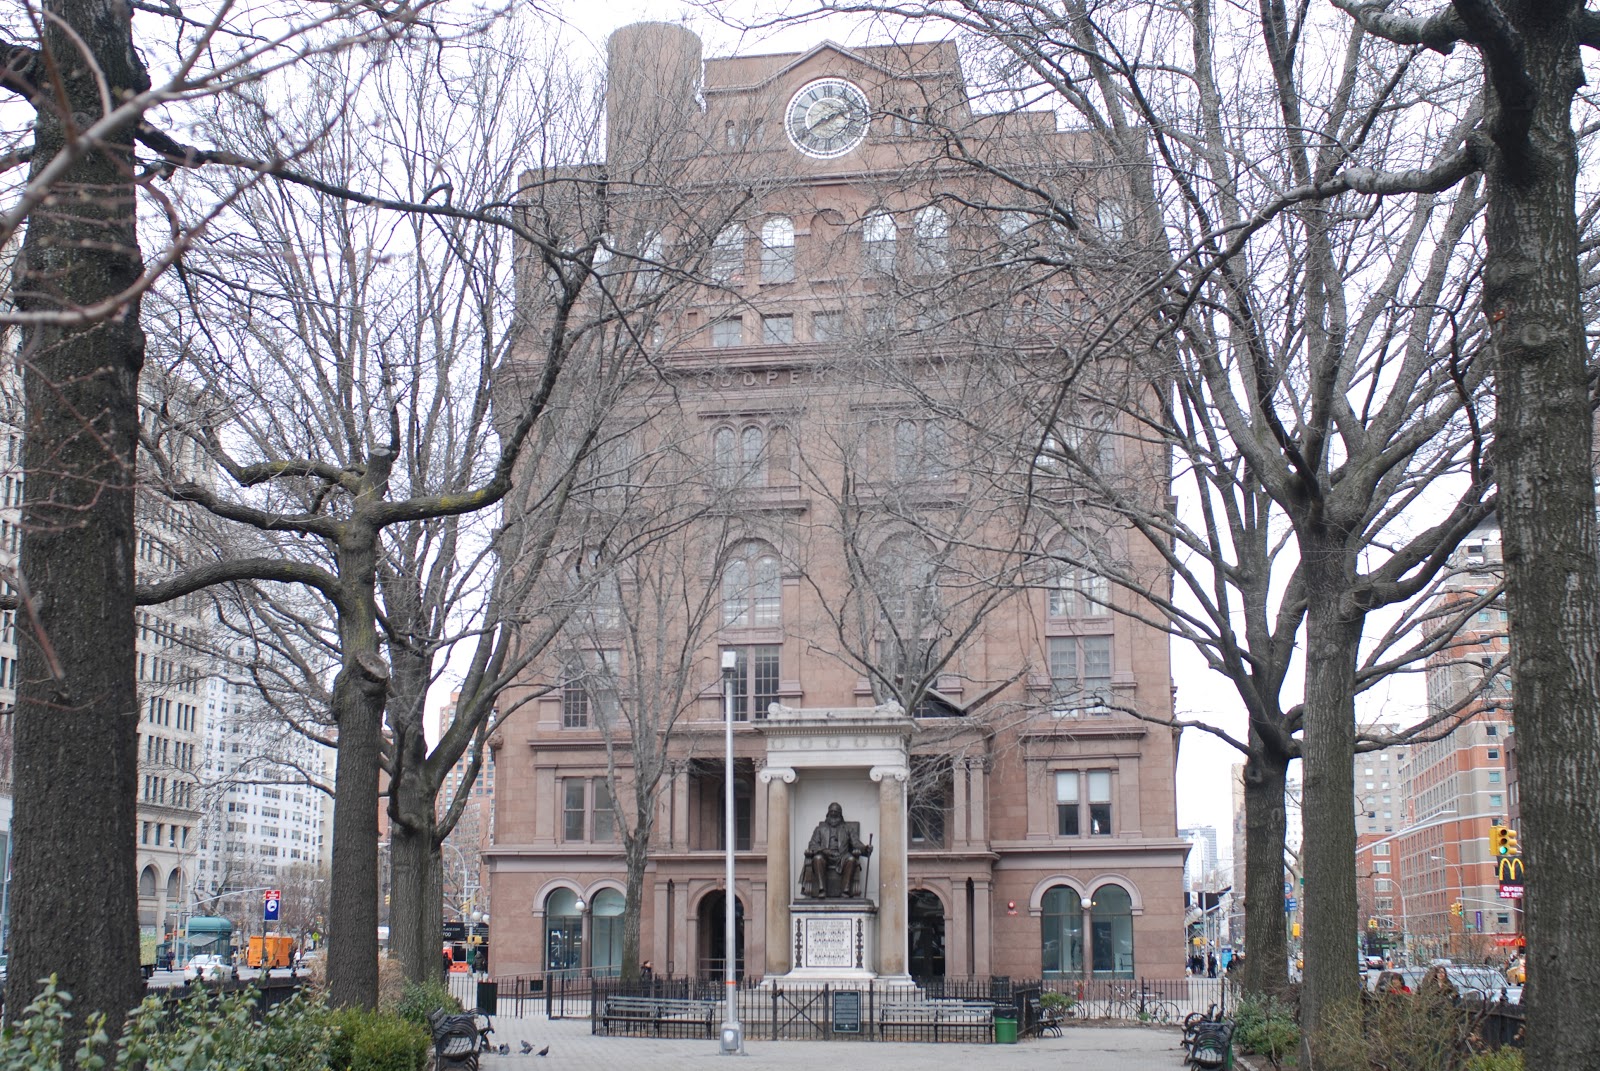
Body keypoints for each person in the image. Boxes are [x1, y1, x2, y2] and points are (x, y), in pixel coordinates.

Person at [804, 802, 872, 899]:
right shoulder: (820, 829)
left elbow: (856, 844)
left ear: (840, 814)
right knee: (818, 858)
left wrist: (866, 849)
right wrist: (824, 850)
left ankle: (845, 891)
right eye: (831, 811)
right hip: (825, 856)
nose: (833, 813)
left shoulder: (848, 829)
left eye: (836, 812)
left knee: (851, 859)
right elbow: (812, 844)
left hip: (842, 856)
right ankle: (822, 890)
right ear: (828, 814)